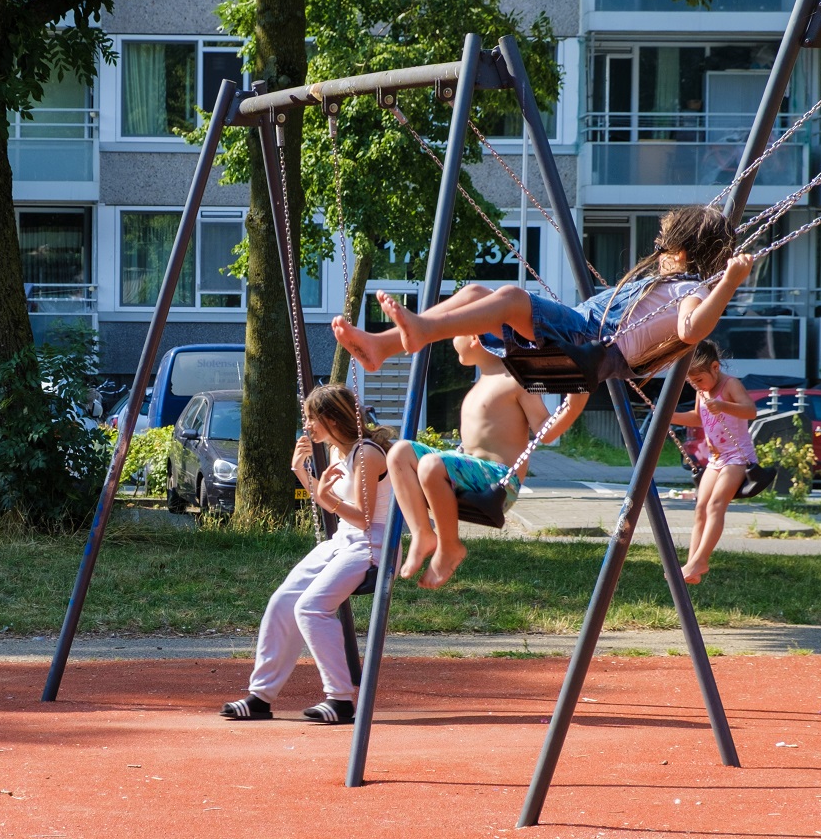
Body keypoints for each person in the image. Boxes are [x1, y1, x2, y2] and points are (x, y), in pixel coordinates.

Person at [331, 204, 754, 386]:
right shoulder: (677, 284)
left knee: (513, 297)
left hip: (589, 342)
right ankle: (382, 346)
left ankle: (421, 330)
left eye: (662, 246)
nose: (656, 254)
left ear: (679, 253)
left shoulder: (690, 291)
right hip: (580, 332)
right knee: (477, 292)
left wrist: (728, 284)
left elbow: (692, 329)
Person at [221, 384, 391, 725]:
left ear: (332, 418)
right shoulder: (341, 453)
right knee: (283, 601)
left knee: (311, 608)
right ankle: (261, 697)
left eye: (312, 418)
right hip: (345, 540)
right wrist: (302, 472)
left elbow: (363, 516)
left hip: (373, 544)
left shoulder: (366, 454)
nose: (308, 426)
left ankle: (341, 700)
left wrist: (326, 497)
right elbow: (335, 506)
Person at [389, 334, 585, 589]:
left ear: (473, 338)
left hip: (499, 481)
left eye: (455, 334)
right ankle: (422, 533)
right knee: (399, 452)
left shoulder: (519, 379)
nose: (451, 341)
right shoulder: (480, 383)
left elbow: (544, 431)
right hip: (469, 471)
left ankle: (450, 547)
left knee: (431, 465)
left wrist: (574, 405)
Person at [669, 340, 757, 584]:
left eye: (699, 379)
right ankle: (692, 565)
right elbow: (698, 418)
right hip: (716, 459)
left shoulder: (730, 385)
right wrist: (668, 415)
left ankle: (701, 560)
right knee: (700, 508)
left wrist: (723, 405)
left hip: (738, 458)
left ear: (715, 367)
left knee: (716, 505)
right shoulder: (702, 392)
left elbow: (750, 411)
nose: (697, 385)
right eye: (692, 382)